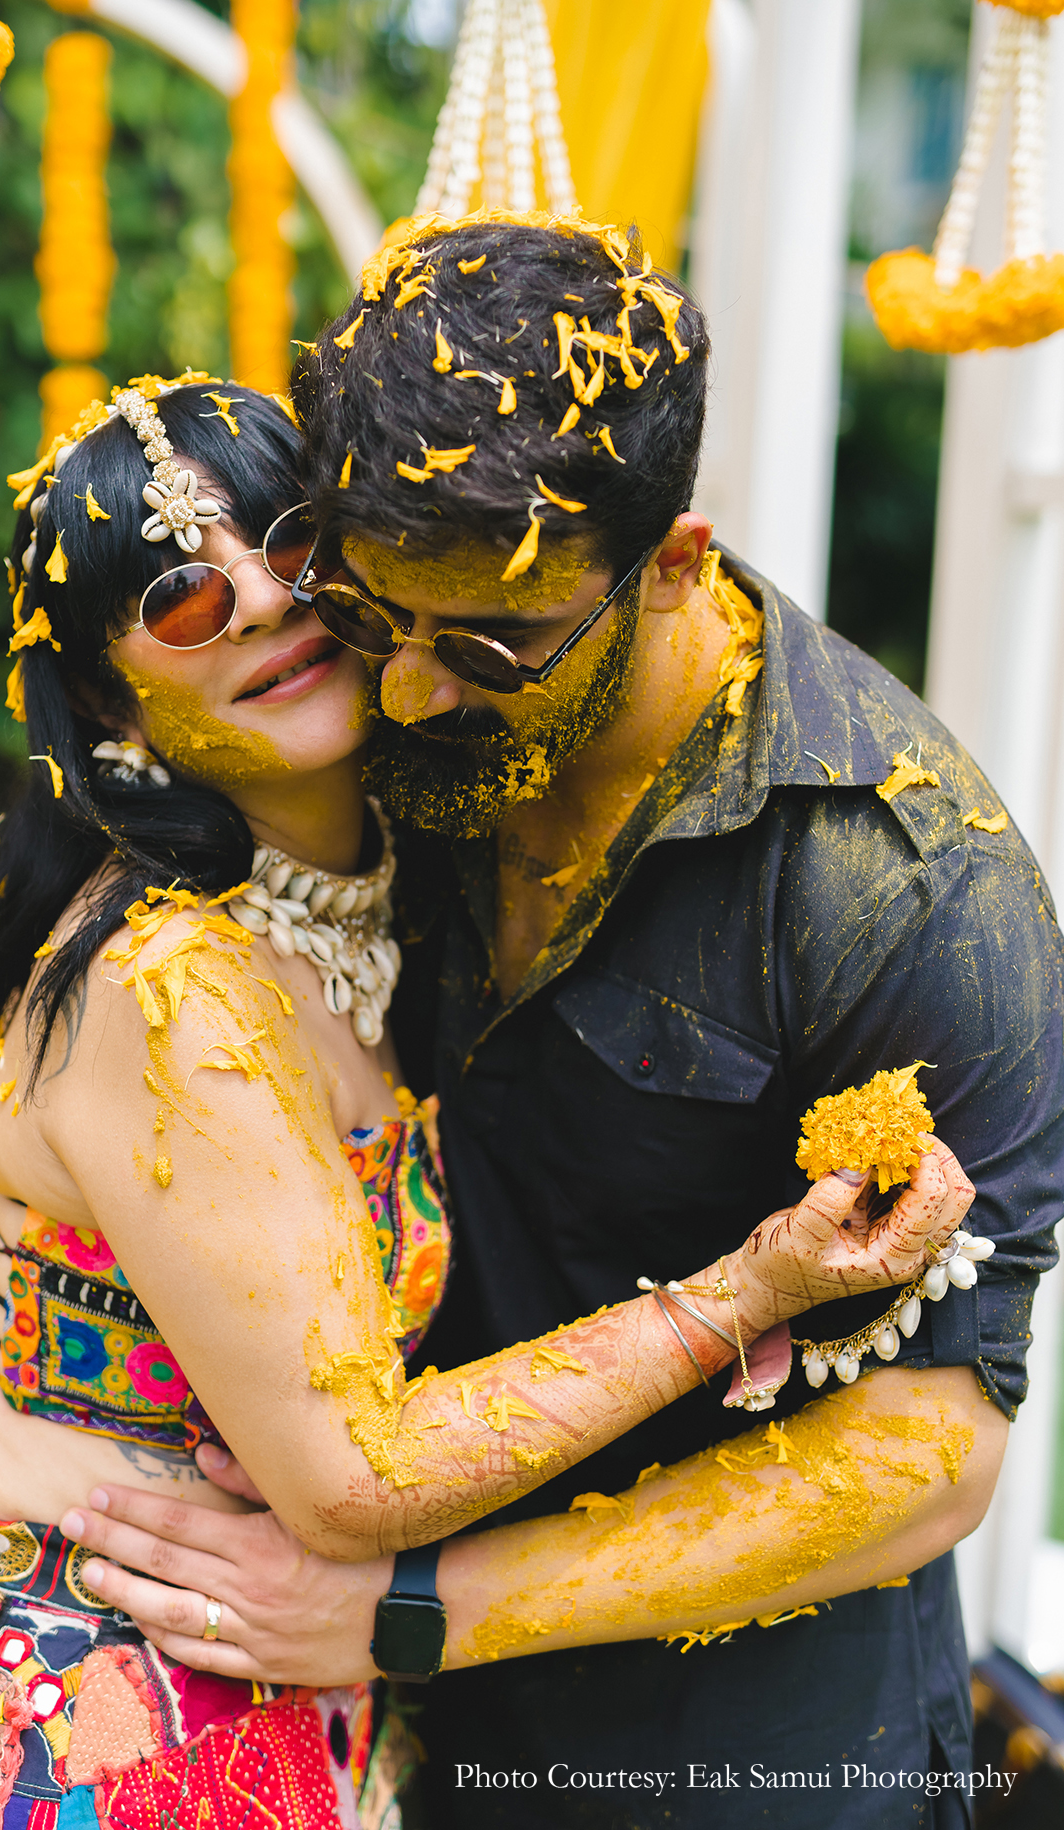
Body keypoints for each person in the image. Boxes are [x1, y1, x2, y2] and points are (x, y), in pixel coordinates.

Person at [0, 373, 957, 1830]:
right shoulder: (174, 984)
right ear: (115, 706)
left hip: (275, 1679)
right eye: (180, 595)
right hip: (75, 1713)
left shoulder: (395, 898)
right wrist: (750, 1287)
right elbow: (353, 1479)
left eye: (295, 542)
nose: (256, 600)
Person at [58, 218, 1064, 1830]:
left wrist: (414, 1602)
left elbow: (930, 1449)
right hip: (385, 1722)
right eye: (373, 617)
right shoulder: (390, 736)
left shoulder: (909, 883)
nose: (400, 697)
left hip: (750, 1755)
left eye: (482, 648)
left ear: (672, 562)